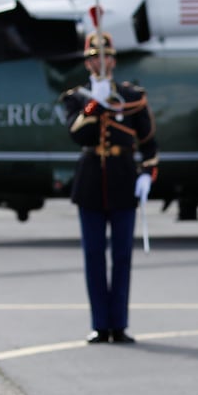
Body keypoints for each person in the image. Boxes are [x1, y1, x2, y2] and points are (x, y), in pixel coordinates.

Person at [63, 28, 158, 343]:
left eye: (105, 58)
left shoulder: (131, 96)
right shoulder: (77, 98)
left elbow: (148, 140)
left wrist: (147, 173)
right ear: (87, 63)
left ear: (114, 61)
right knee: (93, 256)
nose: (100, 64)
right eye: (94, 59)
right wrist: (95, 103)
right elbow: (78, 135)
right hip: (91, 182)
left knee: (122, 256)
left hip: (122, 180)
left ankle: (119, 323)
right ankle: (100, 325)